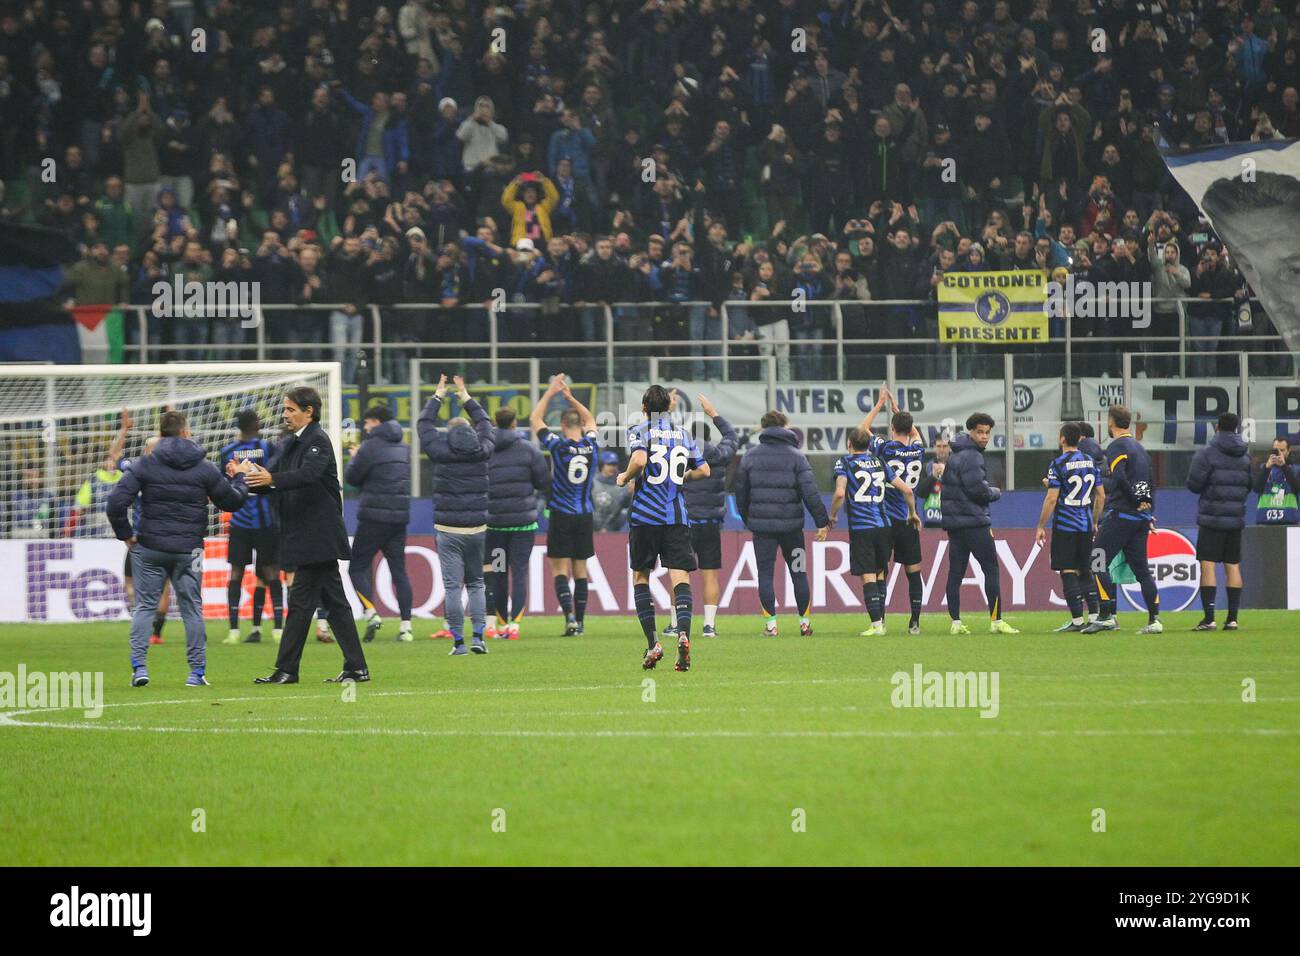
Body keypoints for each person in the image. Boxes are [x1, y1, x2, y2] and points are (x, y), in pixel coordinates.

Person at [107, 410, 250, 688]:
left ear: (160, 436)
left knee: (145, 607)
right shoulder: (205, 467)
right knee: (192, 608)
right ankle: (196, 673)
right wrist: (240, 478)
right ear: (186, 433)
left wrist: (126, 535)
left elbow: (115, 503)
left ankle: (139, 668)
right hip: (190, 550)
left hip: (150, 547)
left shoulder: (144, 465)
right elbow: (232, 502)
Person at [241, 387, 370, 684]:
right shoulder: (292, 443)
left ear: (309, 411)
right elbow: (277, 480)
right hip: (306, 534)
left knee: (301, 602)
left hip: (318, 535)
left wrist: (271, 479)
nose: (285, 414)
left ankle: (287, 669)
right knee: (334, 604)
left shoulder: (318, 441)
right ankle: (355, 666)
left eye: (290, 409)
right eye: (285, 409)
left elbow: (307, 476)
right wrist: (252, 478)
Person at [617, 385, 709, 671]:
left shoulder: (639, 430)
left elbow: (640, 459)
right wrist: (680, 477)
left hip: (646, 516)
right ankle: (682, 634)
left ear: (644, 407)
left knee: (640, 577)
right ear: (670, 407)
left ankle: (653, 643)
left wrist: (624, 477)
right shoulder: (684, 434)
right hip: (676, 516)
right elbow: (705, 470)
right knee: (680, 576)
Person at [418, 374, 496, 656]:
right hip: (477, 528)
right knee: (476, 582)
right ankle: (479, 638)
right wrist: (465, 396)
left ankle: (458, 643)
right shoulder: (483, 450)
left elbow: (424, 425)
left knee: (452, 587)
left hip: (448, 529)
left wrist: (438, 395)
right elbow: (486, 423)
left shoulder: (440, 450)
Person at [734, 409, 830, 637]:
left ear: (764, 428)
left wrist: (750, 519)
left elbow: (741, 494)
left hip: (763, 530)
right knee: (799, 572)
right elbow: (810, 493)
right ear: (785, 426)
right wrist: (822, 521)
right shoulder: (797, 457)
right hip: (792, 529)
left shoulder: (750, 457)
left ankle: (771, 627)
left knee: (765, 575)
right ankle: (805, 624)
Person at [820, 427, 919, 636]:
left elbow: (839, 493)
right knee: (880, 572)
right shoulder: (879, 462)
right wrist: (912, 513)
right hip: (884, 526)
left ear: (849, 444)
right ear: (868, 445)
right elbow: (907, 490)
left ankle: (876, 625)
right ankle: (881, 621)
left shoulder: (845, 463)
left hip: (862, 527)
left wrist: (833, 515)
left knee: (868, 576)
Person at [1082, 405, 1163, 634]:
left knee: (1097, 560)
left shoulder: (1117, 446)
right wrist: (1146, 510)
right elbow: (1150, 483)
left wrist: (1134, 503)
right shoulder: (1141, 448)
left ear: (1111, 422)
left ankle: (1107, 615)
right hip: (1139, 519)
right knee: (1142, 570)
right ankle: (1154, 620)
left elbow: (1119, 477)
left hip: (1122, 515)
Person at [530, 375, 600, 636]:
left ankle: (569, 617)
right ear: (580, 425)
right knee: (580, 570)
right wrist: (571, 397)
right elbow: (591, 419)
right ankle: (580, 623)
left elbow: (535, 420)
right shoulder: (591, 445)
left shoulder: (557, 446)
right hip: (584, 515)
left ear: (561, 425)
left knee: (559, 569)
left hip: (560, 513)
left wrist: (550, 393)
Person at [667, 394, 740, 639]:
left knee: (679, 573)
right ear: (709, 436)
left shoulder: (681, 453)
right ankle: (709, 626)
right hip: (711, 523)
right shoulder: (719, 455)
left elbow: (662, 433)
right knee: (710, 574)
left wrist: (668, 408)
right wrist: (713, 412)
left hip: (685, 522)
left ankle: (676, 623)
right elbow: (732, 437)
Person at [941, 413, 1020, 635]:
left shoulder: (954, 455)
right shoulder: (972, 456)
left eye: (987, 432)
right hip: (975, 523)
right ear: (971, 432)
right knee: (991, 569)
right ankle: (996, 621)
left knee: (955, 573)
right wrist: (995, 492)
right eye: (980, 432)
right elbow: (978, 490)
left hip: (956, 525)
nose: (984, 437)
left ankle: (955, 623)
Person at [344, 404, 413, 643]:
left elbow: (353, 478)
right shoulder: (404, 446)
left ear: (375, 422)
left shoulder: (370, 447)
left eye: (366, 423)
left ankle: (371, 612)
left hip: (374, 516)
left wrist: (354, 459)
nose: (364, 427)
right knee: (399, 571)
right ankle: (406, 627)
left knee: (356, 566)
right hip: (399, 516)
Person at [861, 389, 927, 634]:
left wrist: (880, 404)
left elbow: (863, 428)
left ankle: (881, 621)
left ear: (892, 428)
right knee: (913, 571)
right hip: (910, 518)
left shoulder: (885, 448)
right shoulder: (918, 450)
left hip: (886, 518)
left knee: (880, 570)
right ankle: (915, 622)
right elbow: (916, 435)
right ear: (910, 430)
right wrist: (903, 415)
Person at [483, 405, 549, 640]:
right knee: (519, 572)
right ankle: (515, 625)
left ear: (494, 422)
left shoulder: (486, 449)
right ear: (514, 423)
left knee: (499, 572)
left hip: (495, 525)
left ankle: (500, 624)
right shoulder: (529, 450)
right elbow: (543, 482)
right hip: (522, 524)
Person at [219, 410, 282, 645]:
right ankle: (278, 629)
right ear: (257, 424)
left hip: (239, 520)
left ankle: (233, 630)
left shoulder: (227, 452)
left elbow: (221, 483)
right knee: (271, 572)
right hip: (266, 522)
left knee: (236, 573)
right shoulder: (269, 447)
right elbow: (277, 478)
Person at [1035, 423, 1104, 633]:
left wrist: (1040, 525)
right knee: (1085, 570)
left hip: (1066, 525)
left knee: (1067, 570)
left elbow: (1052, 499)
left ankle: (1076, 622)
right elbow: (1101, 495)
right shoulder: (1090, 461)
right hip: (1085, 524)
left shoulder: (1058, 464)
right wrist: (1094, 521)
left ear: (1062, 439)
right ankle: (1094, 618)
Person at [1186, 412, 1252, 630]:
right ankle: (1232, 619)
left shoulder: (1207, 454)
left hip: (1212, 517)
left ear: (1216, 428)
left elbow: (1194, 484)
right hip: (1235, 519)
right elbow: (1249, 485)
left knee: (1208, 565)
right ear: (1236, 429)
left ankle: (1209, 618)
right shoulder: (1245, 455)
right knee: (1233, 566)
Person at [120, 437, 171, 645]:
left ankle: (142, 621)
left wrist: (123, 431)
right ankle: (156, 633)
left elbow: (115, 457)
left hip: (140, 538)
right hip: (168, 538)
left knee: (131, 582)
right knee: (164, 586)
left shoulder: (135, 470)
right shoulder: (174, 472)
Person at [67, 409, 131, 537]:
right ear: (103, 462)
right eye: (109, 460)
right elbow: (79, 507)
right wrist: (68, 531)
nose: (111, 463)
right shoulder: (94, 479)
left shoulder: (126, 476)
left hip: (123, 531)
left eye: (113, 460)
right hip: (97, 533)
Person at [1252, 436, 1300, 525]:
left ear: (1289, 451)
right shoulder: (1263, 467)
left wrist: (1284, 466)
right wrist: (1267, 468)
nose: (1279, 453)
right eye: (1276, 450)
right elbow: (1256, 488)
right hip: (1265, 520)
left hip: (1289, 521)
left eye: (1282, 450)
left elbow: (1297, 488)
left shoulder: (1296, 470)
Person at [592, 450, 633, 532]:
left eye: (615, 464)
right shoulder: (592, 482)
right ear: (601, 466)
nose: (612, 467)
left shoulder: (623, 484)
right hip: (593, 526)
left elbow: (623, 507)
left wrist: (628, 494)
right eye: (609, 464)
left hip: (615, 528)